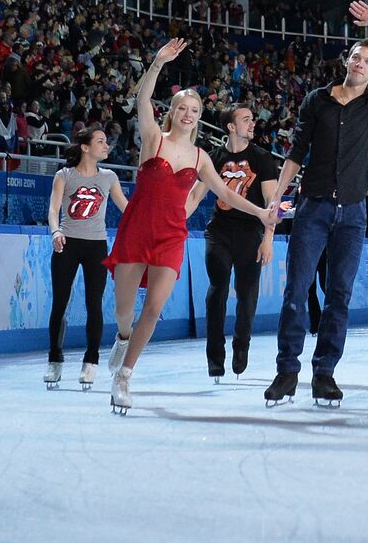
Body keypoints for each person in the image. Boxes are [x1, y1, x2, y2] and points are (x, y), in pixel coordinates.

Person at [105, 39, 276, 415]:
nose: (188, 113)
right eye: (182, 107)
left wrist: (262, 214)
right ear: (173, 112)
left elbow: (226, 195)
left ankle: (125, 376)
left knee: (152, 308)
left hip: (171, 234)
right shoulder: (153, 140)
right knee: (123, 311)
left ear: (200, 116)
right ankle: (121, 336)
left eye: (194, 109)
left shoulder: (201, 156)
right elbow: (141, 102)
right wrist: (156, 63)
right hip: (137, 229)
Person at [263, 1, 368, 408]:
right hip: (312, 208)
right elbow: (296, 152)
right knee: (296, 291)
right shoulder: (317, 100)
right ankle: (287, 372)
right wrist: (276, 198)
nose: (360, 63)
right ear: (346, 61)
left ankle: (324, 373)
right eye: (355, 57)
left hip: (352, 213)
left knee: (339, 295)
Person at [185, 104, 279, 381]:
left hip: (252, 232)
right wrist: (175, 220)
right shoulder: (212, 158)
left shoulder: (263, 158)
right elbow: (195, 195)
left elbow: (272, 204)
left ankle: (241, 344)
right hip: (220, 231)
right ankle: (215, 356)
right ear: (230, 126)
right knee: (217, 291)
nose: (252, 123)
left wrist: (268, 240)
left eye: (252, 119)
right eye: (246, 119)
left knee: (247, 295)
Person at [43, 127, 127, 391]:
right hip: (67, 242)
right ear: (85, 147)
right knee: (60, 303)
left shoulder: (109, 177)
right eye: (100, 141)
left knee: (94, 304)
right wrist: (56, 231)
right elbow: (53, 209)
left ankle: (91, 361)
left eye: (106, 141)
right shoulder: (64, 175)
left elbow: (127, 208)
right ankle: (55, 359)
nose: (106, 146)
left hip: (96, 245)